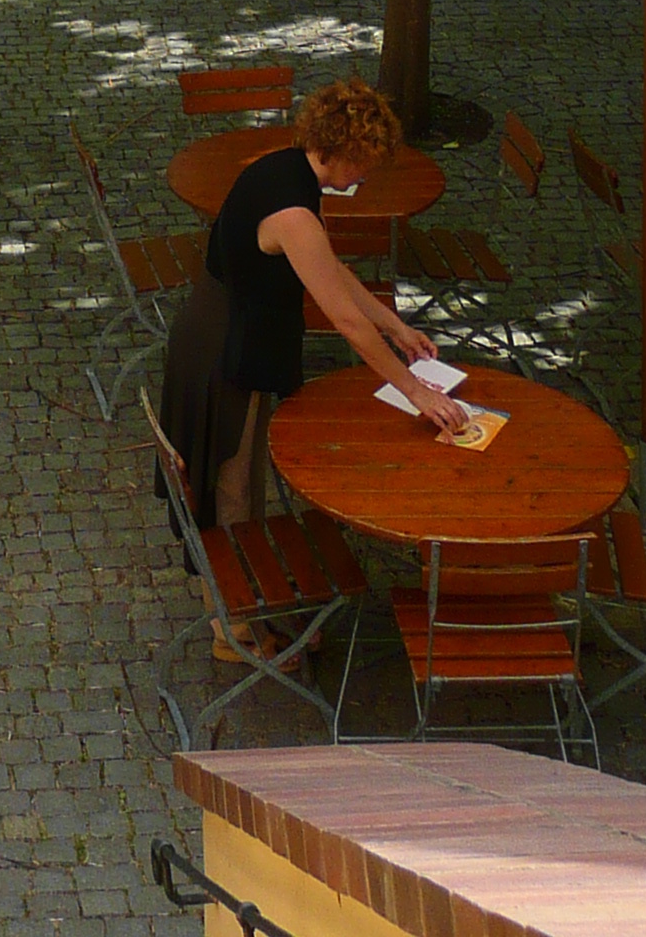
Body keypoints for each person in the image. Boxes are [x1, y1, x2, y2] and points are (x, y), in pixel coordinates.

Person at [158, 76, 470, 659]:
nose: (367, 175)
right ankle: (234, 632)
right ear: (344, 149)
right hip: (226, 351)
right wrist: (415, 391)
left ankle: (244, 610)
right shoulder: (294, 210)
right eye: (367, 162)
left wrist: (395, 326)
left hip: (224, 332)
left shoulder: (288, 169)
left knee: (240, 485)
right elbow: (343, 320)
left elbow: (330, 270)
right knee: (232, 487)